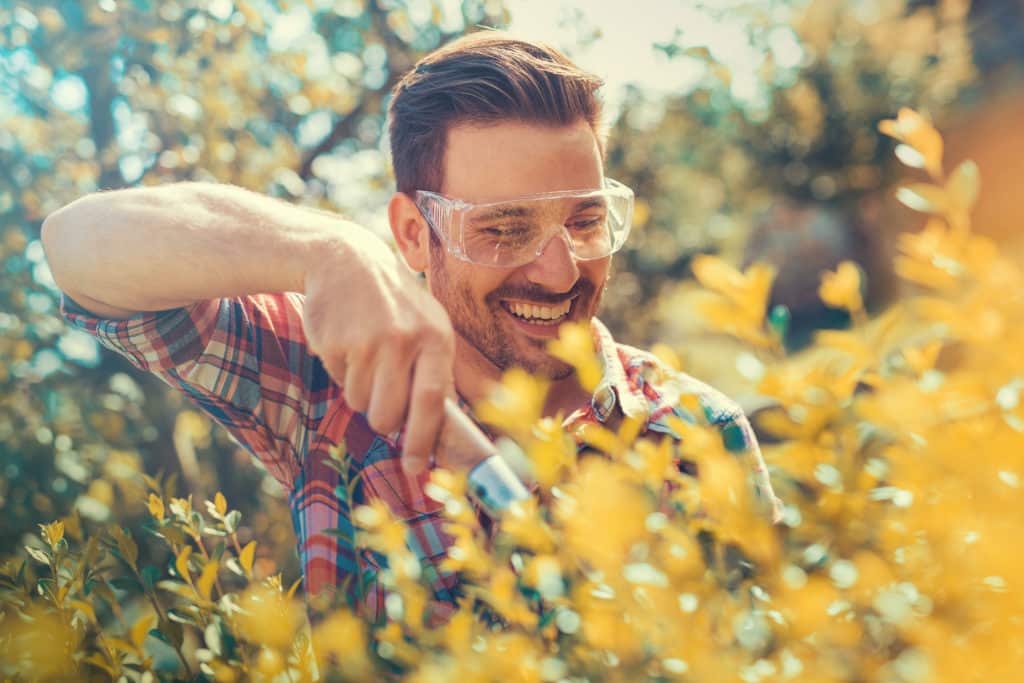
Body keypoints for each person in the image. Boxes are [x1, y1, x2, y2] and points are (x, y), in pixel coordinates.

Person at [42, 31, 781, 622]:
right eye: (504, 228)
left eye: (586, 220)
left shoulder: (699, 431)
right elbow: (77, 248)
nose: (559, 272)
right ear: (412, 233)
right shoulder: (329, 387)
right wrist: (326, 250)